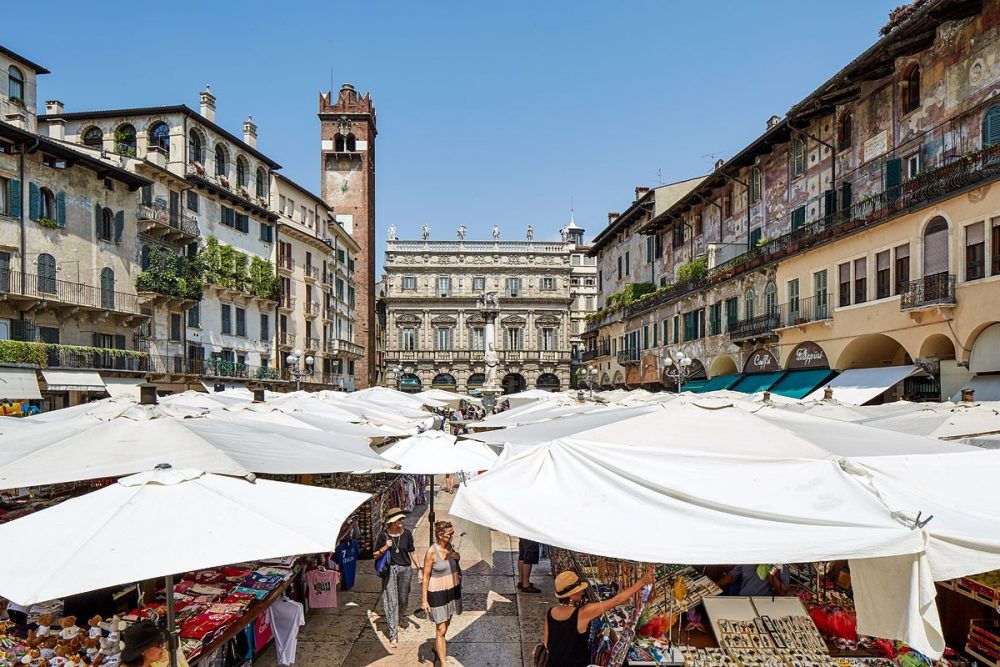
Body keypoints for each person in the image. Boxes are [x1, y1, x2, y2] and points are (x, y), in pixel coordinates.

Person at [543, 569, 654, 667]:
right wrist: (641, 582)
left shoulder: (550, 612)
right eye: (579, 589)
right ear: (571, 595)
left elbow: (546, 644)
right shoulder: (583, 613)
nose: (582, 591)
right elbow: (617, 600)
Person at [374, 507, 420, 649]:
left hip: (406, 569)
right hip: (390, 570)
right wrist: (385, 548)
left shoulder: (407, 534)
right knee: (391, 600)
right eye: (399, 519)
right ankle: (393, 634)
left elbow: (412, 552)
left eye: (402, 518)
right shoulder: (383, 536)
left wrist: (419, 568)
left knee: (403, 599)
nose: (402, 521)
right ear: (392, 522)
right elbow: (375, 555)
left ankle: (400, 617)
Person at [421, 520, 462, 665]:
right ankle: (443, 663)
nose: (452, 537)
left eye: (453, 534)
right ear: (440, 535)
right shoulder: (431, 552)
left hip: (451, 589)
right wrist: (424, 600)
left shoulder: (450, 547)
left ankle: (436, 646)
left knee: (447, 623)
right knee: (441, 629)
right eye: (449, 534)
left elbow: (453, 562)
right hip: (436, 593)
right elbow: (425, 577)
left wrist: (456, 557)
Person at [714, 564, 790, 597]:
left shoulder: (780, 564)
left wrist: (770, 569)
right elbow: (732, 576)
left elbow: (782, 591)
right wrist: (713, 586)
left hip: (765, 605)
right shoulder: (749, 559)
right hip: (744, 601)